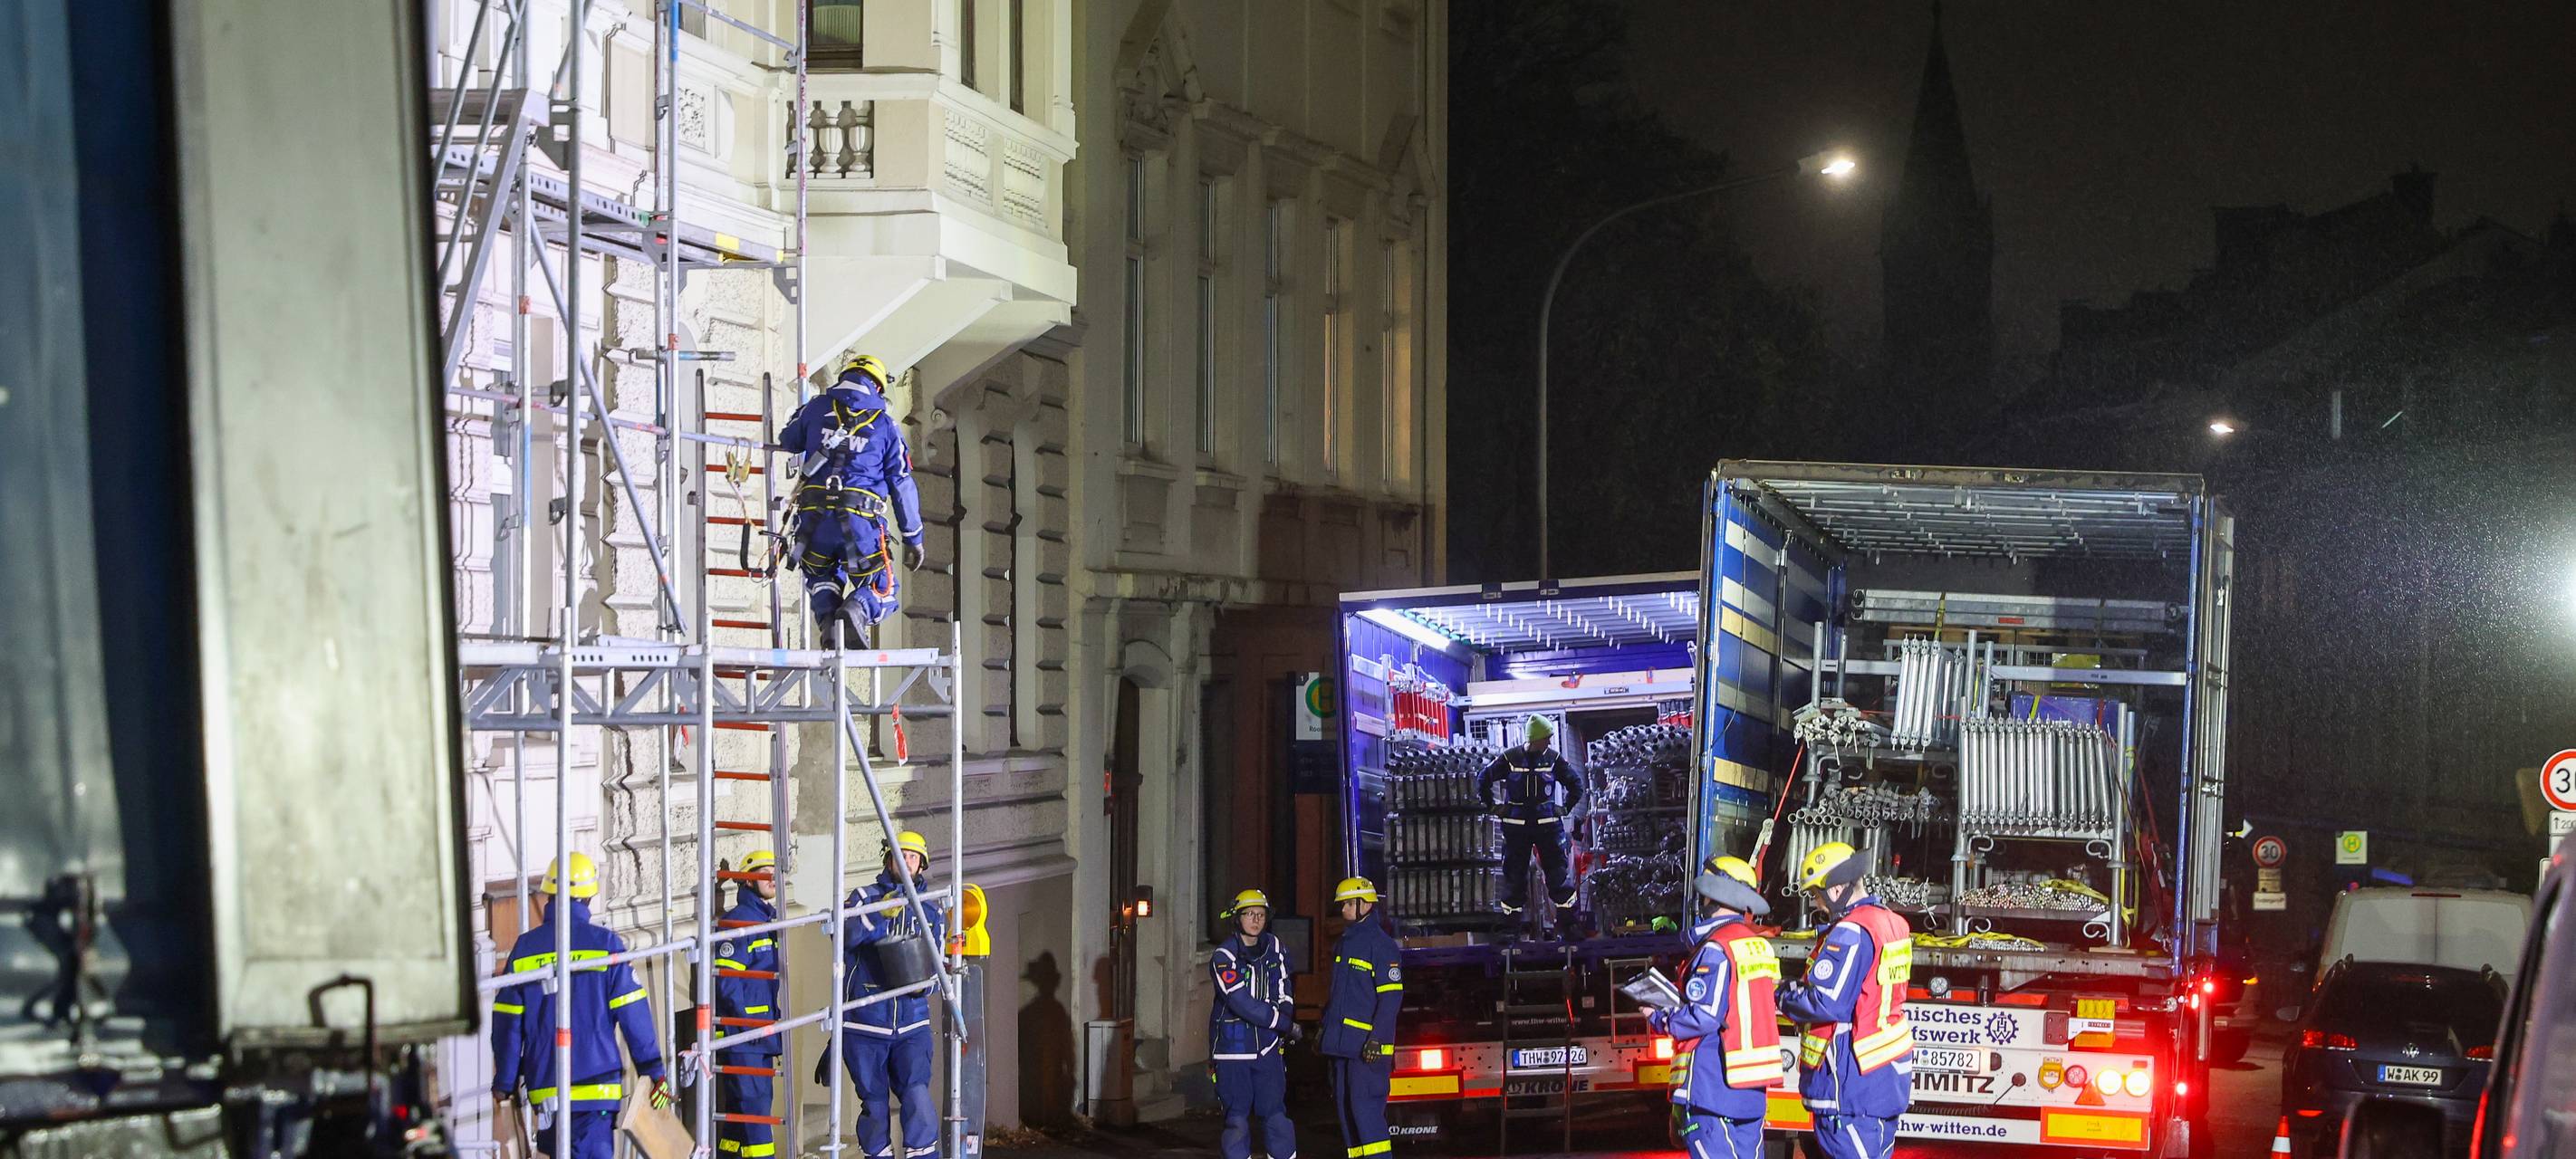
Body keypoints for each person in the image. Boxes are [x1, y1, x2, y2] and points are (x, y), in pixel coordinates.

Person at [490, 853, 672, 1159]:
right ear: (588, 896)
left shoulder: (524, 949)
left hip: (548, 1091)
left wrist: (505, 1081)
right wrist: (654, 1072)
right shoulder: (606, 945)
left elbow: (507, 1025)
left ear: (548, 894)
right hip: (597, 1089)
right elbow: (634, 1016)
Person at [776, 353, 926, 648]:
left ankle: (831, 626)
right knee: (883, 588)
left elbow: (787, 440)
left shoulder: (815, 407)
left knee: (821, 575)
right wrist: (914, 537)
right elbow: (901, 482)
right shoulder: (885, 426)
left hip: (813, 520)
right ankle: (854, 612)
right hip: (860, 521)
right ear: (879, 388)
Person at [1774, 843, 1912, 1159]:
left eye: (1817, 894)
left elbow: (1826, 1002)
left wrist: (1781, 993)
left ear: (1837, 888)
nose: (1817, 903)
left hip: (1849, 1084)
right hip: (1883, 1077)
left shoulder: (1851, 930)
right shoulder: (1892, 922)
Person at [1648, 856, 1784, 1159]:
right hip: (1749, 1087)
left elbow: (1704, 1016)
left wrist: (1660, 1018)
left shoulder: (1715, 947)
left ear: (1713, 894)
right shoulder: (1756, 944)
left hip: (1712, 1085)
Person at [836, 830, 947, 1159]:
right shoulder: (862, 897)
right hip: (866, 1025)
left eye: (913, 856)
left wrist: (922, 985)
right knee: (873, 1104)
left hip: (912, 1025)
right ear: (888, 859)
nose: (906, 861)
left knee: (917, 1097)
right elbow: (843, 937)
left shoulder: (931, 910)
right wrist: (878, 917)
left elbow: (938, 963)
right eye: (900, 855)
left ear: (922, 864)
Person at [1208, 888, 1300, 1159]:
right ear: (1237, 918)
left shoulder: (1275, 947)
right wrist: (1280, 1022)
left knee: (1275, 1115)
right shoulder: (1223, 955)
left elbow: (1284, 988)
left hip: (1268, 1047)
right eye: (1249, 914)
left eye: (1260, 915)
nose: (1256, 920)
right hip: (1232, 1050)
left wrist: (1284, 1014)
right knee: (1236, 1119)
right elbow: (1239, 1000)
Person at [1319, 876, 1402, 1159]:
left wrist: (1376, 1040)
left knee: (1366, 1115)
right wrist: (1324, 1028)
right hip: (1343, 1047)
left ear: (1364, 904)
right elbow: (1340, 995)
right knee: (1347, 1115)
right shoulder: (1345, 944)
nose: (1341, 909)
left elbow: (1391, 999)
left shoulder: (1381, 946)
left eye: (1346, 904)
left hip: (1367, 1050)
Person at [712, 849, 784, 1159]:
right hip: (746, 1036)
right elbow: (727, 982)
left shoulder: (763, 919)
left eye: (773, 872)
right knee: (755, 1113)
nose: (771, 878)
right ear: (748, 881)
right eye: (763, 872)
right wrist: (748, 1026)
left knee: (741, 1115)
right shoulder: (739, 922)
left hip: (759, 1034)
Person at [1477, 716, 1587, 918]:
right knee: (1514, 877)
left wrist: (1564, 809)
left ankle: (1568, 922)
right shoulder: (1510, 758)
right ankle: (1511, 927)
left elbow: (1576, 784)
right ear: (1535, 738)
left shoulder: (1553, 759)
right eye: (1546, 738)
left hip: (1548, 828)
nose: (1549, 742)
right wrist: (1493, 807)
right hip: (1516, 829)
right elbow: (1483, 779)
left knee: (1558, 876)